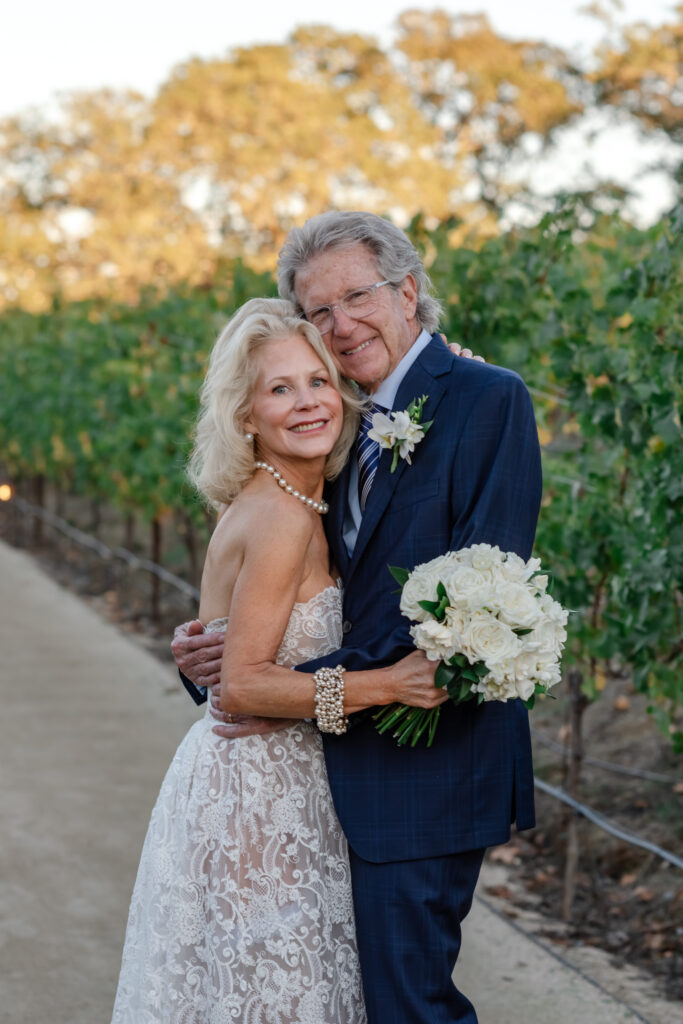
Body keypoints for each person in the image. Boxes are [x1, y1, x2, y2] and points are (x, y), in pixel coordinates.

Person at [174, 211, 542, 1023]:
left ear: (407, 291)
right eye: (318, 311)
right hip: (314, 784)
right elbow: (294, 590)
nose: (340, 325)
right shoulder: (329, 426)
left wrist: (268, 685)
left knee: (409, 1006)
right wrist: (215, 656)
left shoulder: (485, 400)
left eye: (358, 296)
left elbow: (472, 608)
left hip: (423, 774)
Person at [112, 298, 445, 1023]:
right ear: (245, 416)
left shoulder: (290, 501)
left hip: (277, 780)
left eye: (317, 381)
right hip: (256, 797)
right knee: (274, 995)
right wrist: (387, 683)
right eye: (279, 389)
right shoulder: (281, 518)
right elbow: (243, 682)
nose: (307, 403)